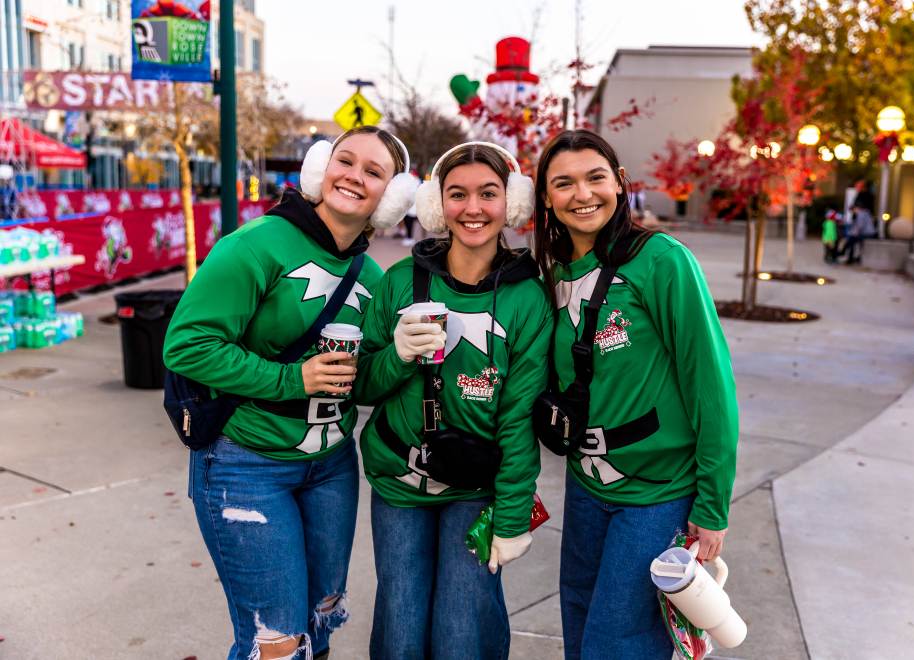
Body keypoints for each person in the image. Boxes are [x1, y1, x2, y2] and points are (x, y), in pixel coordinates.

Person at [163, 125, 418, 660]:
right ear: (319, 168)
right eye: (345, 161)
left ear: (391, 198)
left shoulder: (369, 273)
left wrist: (399, 352)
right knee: (275, 644)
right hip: (245, 465)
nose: (354, 176)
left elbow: (362, 383)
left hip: (331, 466)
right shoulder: (256, 244)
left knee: (319, 623)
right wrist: (290, 380)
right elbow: (187, 347)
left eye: (374, 172)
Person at [532, 130, 739, 659]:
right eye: (564, 183)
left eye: (595, 177)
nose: (582, 194)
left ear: (620, 183)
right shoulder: (549, 272)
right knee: (578, 624)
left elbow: (710, 386)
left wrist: (712, 505)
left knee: (617, 643)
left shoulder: (662, 260)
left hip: (656, 492)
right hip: (585, 484)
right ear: (546, 197)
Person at [354, 142, 551, 660]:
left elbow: (518, 419)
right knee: (399, 626)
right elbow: (360, 387)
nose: (473, 208)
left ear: (510, 202)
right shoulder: (400, 280)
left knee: (462, 633)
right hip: (400, 481)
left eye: (488, 194)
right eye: (457, 194)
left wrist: (511, 518)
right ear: (438, 205)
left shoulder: (528, 298)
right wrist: (395, 356)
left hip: (475, 486)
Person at [841, 180, 876, 264]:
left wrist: (855, 232)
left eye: (858, 186)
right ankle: (848, 256)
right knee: (852, 239)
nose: (857, 188)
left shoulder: (866, 198)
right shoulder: (859, 196)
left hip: (864, 230)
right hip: (860, 225)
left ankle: (845, 254)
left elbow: (860, 226)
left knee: (852, 239)